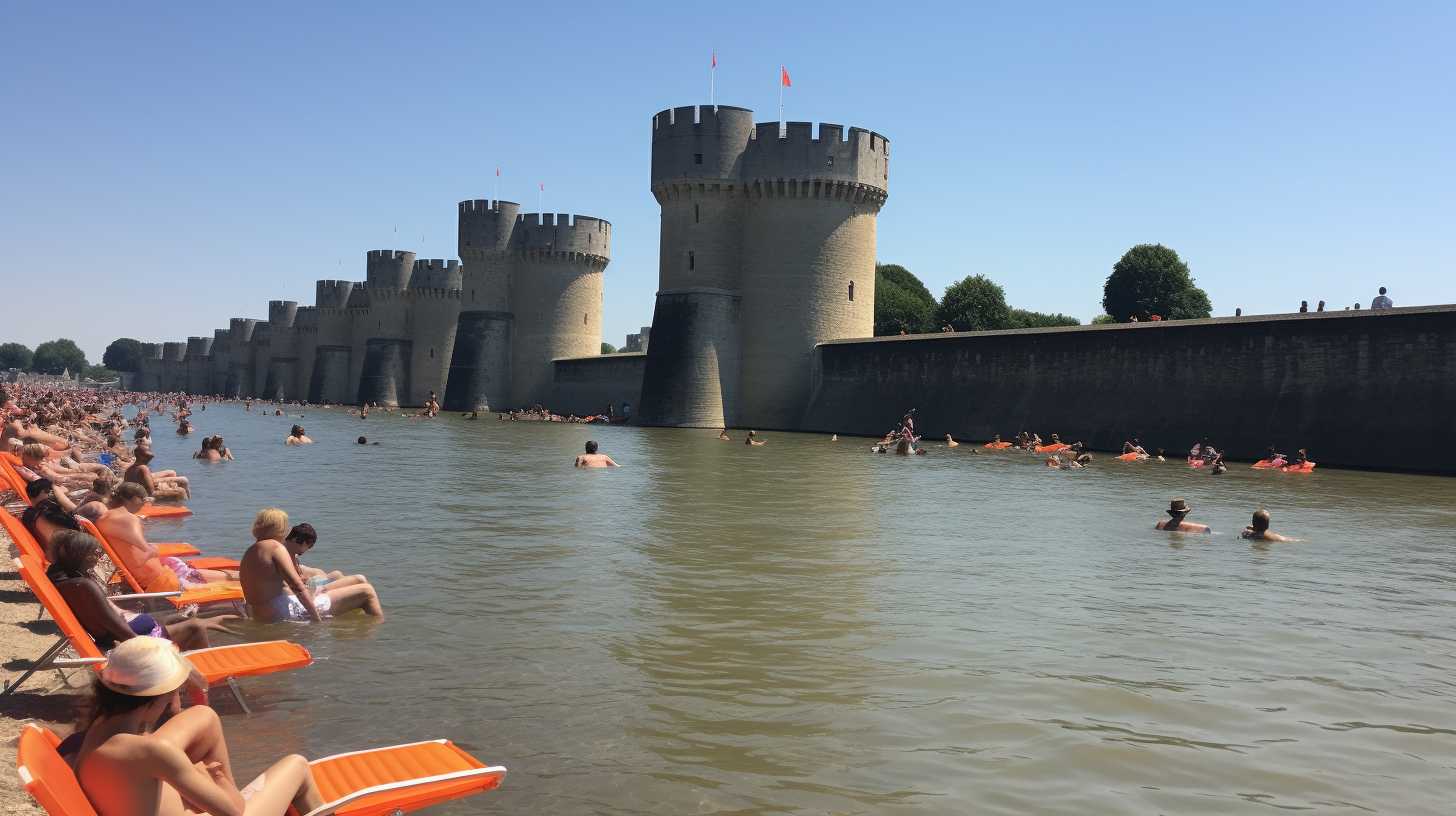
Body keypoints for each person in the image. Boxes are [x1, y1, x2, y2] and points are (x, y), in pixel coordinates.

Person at [67, 636, 326, 816]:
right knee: (297, 765)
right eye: (174, 692)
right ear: (156, 699)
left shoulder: (97, 729)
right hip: (231, 810)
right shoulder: (154, 753)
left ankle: (207, 793)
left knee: (204, 715)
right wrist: (215, 776)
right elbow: (234, 811)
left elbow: (176, 717)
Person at [47, 530, 236, 652]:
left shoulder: (67, 580)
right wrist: (148, 649)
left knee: (191, 621)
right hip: (136, 639)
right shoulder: (83, 586)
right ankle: (206, 685)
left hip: (135, 630)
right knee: (196, 628)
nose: (98, 556)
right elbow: (111, 623)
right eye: (93, 552)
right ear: (76, 554)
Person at [240, 508, 384, 623]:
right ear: (279, 528)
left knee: (354, 587)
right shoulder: (276, 548)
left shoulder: (250, 552)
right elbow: (298, 588)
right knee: (367, 591)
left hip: (263, 615)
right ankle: (380, 633)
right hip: (283, 611)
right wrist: (316, 619)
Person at [98, 483, 236, 592]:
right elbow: (145, 549)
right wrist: (152, 549)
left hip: (159, 578)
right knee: (233, 580)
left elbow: (134, 547)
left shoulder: (104, 519)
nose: (145, 504)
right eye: (144, 500)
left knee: (221, 575)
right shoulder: (128, 519)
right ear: (134, 499)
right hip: (165, 583)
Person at [124, 446, 190, 501]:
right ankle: (183, 508)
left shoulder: (132, 468)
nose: (151, 457)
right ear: (141, 456)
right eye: (148, 456)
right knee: (181, 491)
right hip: (143, 496)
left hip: (136, 492)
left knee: (173, 476)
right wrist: (172, 491)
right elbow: (152, 493)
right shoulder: (143, 468)